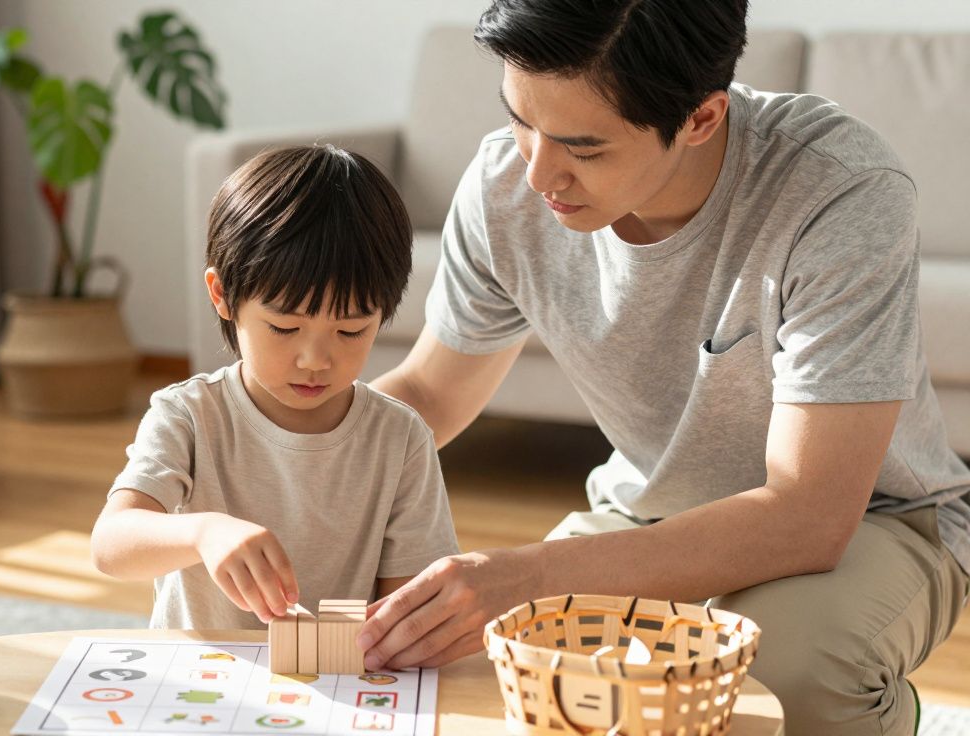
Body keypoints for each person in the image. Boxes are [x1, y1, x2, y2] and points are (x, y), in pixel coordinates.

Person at [357, 1, 970, 733]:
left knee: (779, 677)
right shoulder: (505, 182)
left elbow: (809, 515)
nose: (538, 172)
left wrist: (523, 572)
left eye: (583, 148)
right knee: (510, 662)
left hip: (876, 521)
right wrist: (271, 451)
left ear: (702, 119)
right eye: (521, 119)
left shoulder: (838, 191)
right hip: (651, 506)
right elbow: (430, 390)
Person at [90, 145, 460, 630]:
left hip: (339, 684)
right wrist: (203, 531)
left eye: (351, 331)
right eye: (284, 328)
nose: (315, 360)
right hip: (203, 684)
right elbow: (110, 546)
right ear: (222, 295)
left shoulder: (400, 438)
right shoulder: (189, 415)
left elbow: (405, 611)